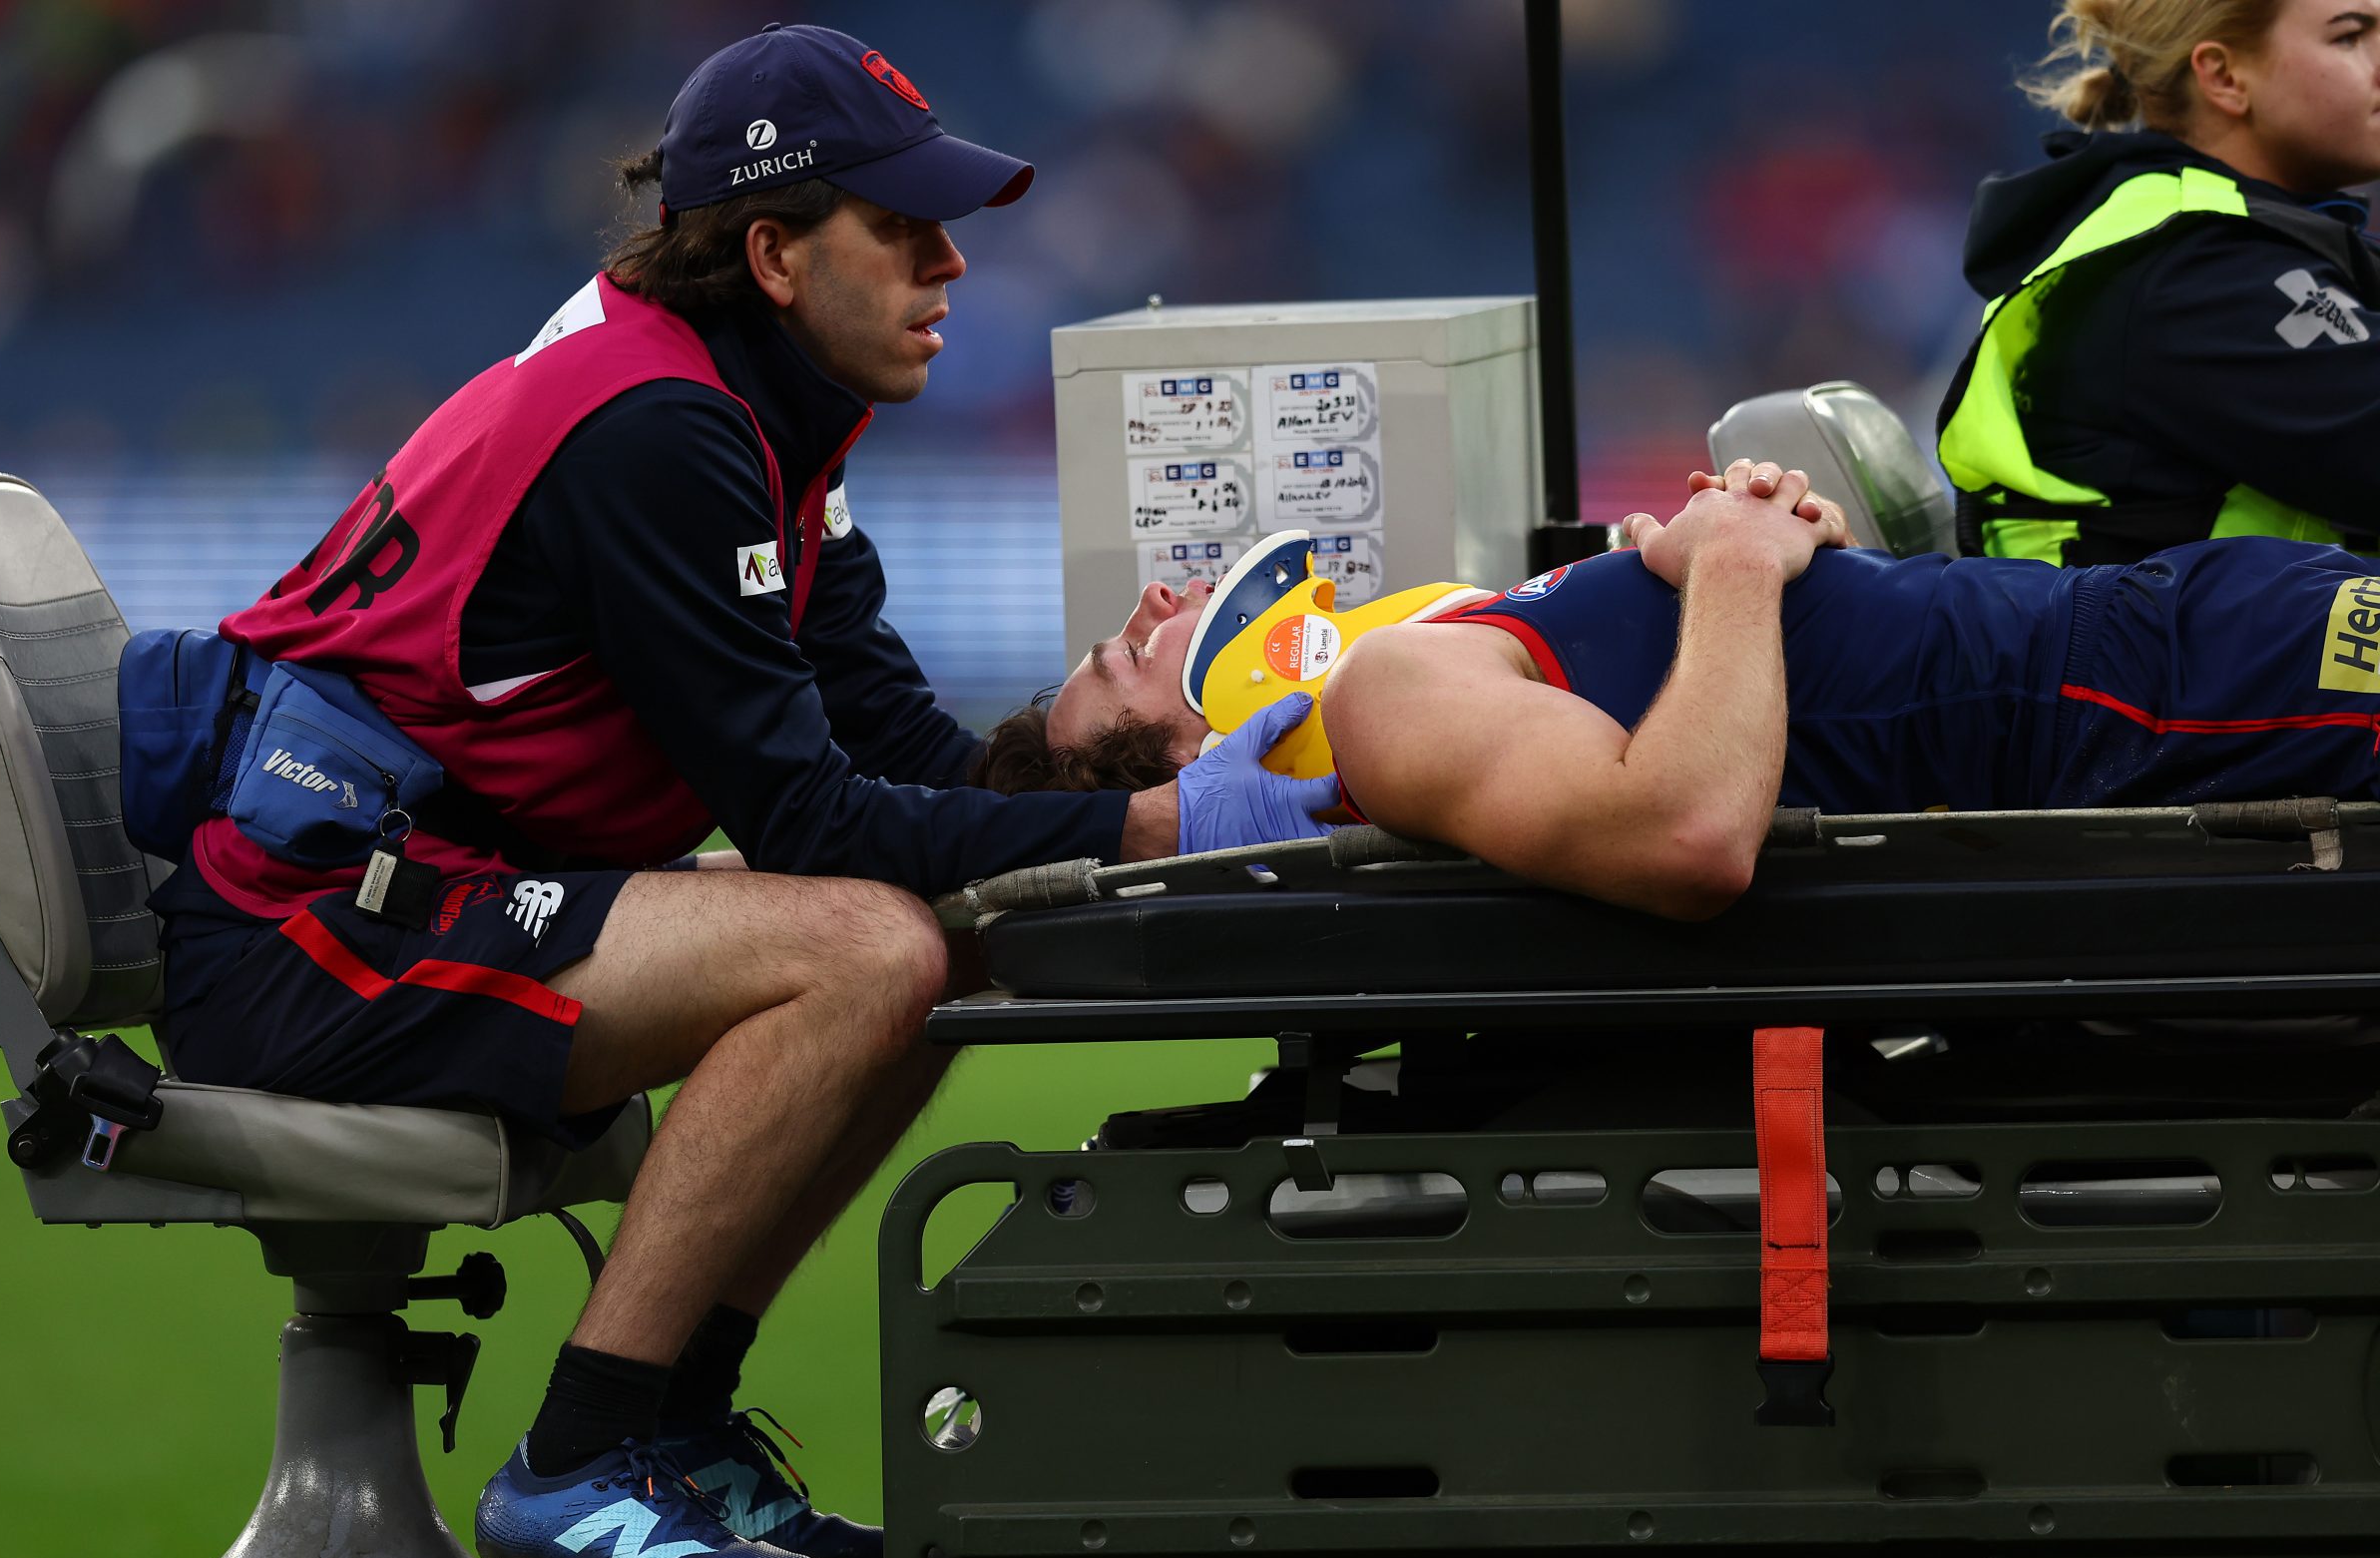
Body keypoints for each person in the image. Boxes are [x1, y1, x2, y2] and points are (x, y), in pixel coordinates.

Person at [140, 24, 1328, 1558]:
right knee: (866, 945)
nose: (950, 264)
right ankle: (580, 1456)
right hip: (309, 932)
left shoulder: (760, 412)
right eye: (900, 229)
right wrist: (1166, 821)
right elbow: (811, 818)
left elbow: (904, 755)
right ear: (773, 254)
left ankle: (677, 1428)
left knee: (949, 928)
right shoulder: (661, 427)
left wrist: (1117, 765)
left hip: (416, 892)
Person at [985, 461, 2380, 920]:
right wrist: (1733, 561)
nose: (1151, 607)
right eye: (1122, 660)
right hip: (2152, 686)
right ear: (1198, 752)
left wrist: (1764, 547)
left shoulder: (1412, 669)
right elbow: (1688, 835)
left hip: (2154, 648)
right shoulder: (1385, 700)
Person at [1936, 0, 2380, 566]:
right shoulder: (2195, 269)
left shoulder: (2225, 235)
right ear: (2223, 77)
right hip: (2172, 629)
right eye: (2349, 37)